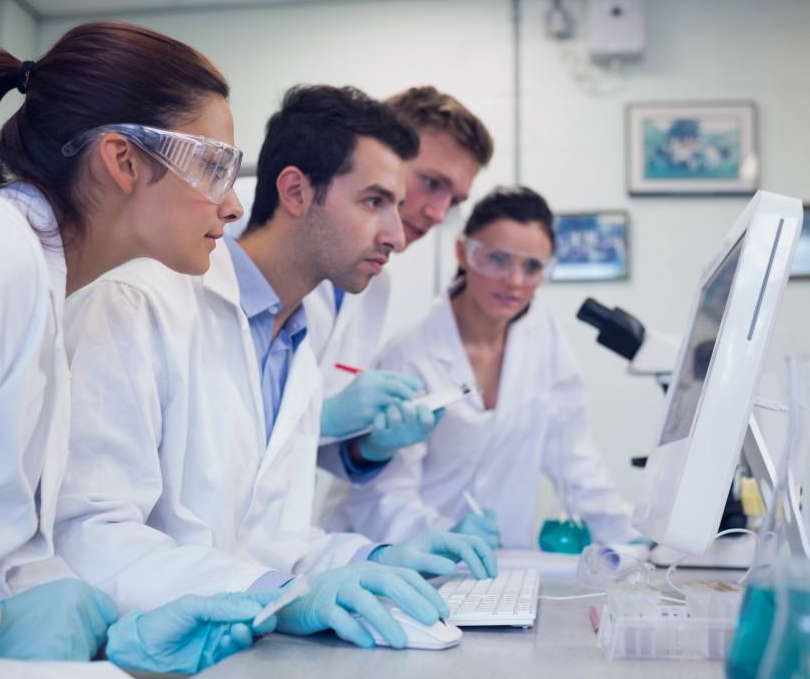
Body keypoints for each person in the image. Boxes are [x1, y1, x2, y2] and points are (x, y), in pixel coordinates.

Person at [0, 21, 283, 673]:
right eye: (215, 166)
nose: (233, 205)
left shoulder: (43, 291)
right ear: (123, 160)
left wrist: (107, 640)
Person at [55, 84, 496, 652]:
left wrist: (375, 556)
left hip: (239, 645)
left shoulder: (292, 339)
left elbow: (266, 540)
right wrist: (280, 593)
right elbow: (91, 535)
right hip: (145, 648)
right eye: (373, 202)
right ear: (294, 190)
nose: (397, 231)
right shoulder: (137, 302)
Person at [337, 186, 642, 550]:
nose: (515, 281)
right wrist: (444, 537)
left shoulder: (542, 334)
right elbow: (381, 496)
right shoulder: (410, 351)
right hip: (413, 559)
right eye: (498, 259)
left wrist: (633, 539)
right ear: (463, 253)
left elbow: (572, 454)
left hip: (505, 563)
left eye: (532, 267)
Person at [308, 86, 495, 525]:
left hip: (279, 542)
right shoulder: (229, 237)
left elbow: (307, 453)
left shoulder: (373, 283)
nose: (437, 212)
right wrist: (323, 416)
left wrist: (368, 448)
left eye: (454, 200)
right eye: (432, 183)